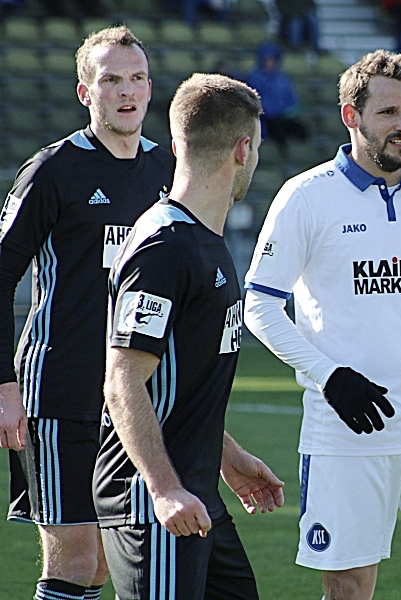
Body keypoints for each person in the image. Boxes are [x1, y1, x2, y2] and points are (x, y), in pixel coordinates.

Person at [243, 49, 401, 600]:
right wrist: (330, 376)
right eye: (388, 113)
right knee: (351, 588)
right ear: (351, 116)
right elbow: (259, 307)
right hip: (345, 427)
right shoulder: (306, 196)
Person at [0, 26, 175, 600]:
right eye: (111, 80)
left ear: (151, 89)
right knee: (75, 558)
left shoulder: (168, 172)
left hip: (137, 399)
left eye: (137, 78)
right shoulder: (51, 171)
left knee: (105, 562)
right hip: (60, 391)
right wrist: (5, 386)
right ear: (85, 92)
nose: (127, 91)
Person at [96, 72, 285, 599]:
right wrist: (163, 489)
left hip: (197, 491)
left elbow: (177, 381)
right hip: (154, 501)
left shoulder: (204, 239)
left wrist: (227, 455)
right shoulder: (165, 245)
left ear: (178, 144)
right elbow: (123, 381)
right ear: (244, 149)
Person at [244, 41, 310, 159]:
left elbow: (292, 101)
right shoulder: (255, 77)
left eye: (273, 59)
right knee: (277, 130)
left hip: (283, 117)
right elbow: (255, 101)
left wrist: (289, 111)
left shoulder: (282, 78)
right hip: (266, 118)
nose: (270, 63)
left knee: (302, 131)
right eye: (268, 59)